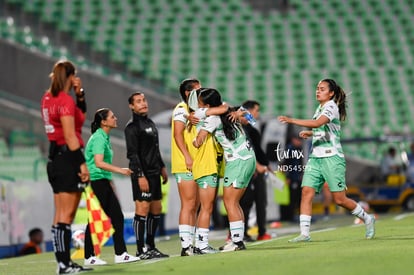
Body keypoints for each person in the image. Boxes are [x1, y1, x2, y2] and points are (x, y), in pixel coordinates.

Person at [278, 78, 375, 242]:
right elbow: (328, 131)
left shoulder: (331, 106)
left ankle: (367, 218)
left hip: (332, 157)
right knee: (306, 192)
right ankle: (305, 233)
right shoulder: (320, 107)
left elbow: (317, 123)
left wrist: (292, 120)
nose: (318, 91)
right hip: (316, 158)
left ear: (331, 93)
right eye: (317, 88)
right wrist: (311, 134)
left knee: (339, 199)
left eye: (322, 89)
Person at [40, 60, 92, 274]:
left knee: (60, 214)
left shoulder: (47, 98)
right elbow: (71, 135)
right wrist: (82, 163)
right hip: (68, 158)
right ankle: (64, 264)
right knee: (67, 215)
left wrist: (80, 95)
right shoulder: (64, 101)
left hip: (54, 158)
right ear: (70, 77)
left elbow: (79, 120)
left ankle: (63, 263)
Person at [193, 88, 256, 252]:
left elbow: (197, 142)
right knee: (234, 203)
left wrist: (198, 132)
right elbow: (252, 120)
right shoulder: (231, 111)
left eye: (200, 102)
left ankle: (237, 243)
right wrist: (240, 112)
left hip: (238, 161)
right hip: (248, 157)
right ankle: (237, 240)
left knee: (230, 202)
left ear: (206, 104)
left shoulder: (212, 119)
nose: (198, 105)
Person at [83, 108, 140, 265]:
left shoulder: (103, 137)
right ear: (104, 121)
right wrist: (120, 170)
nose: (115, 118)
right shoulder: (99, 138)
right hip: (97, 180)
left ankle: (97, 256)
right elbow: (99, 163)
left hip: (101, 180)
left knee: (105, 218)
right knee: (109, 217)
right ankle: (109, 254)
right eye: (112, 117)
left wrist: (110, 182)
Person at [124, 92, 169, 259]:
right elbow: (132, 154)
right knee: (142, 209)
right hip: (141, 174)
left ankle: (151, 246)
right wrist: (140, 175)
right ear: (131, 106)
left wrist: (162, 167)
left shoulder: (150, 123)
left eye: (144, 100)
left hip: (155, 172)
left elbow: (155, 149)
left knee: (156, 208)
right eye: (138, 101)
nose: (143, 103)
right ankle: (140, 249)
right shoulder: (131, 127)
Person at [171, 79, 200, 256]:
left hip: (197, 163)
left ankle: (193, 243)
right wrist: (187, 157)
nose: (202, 91)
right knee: (188, 204)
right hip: (185, 164)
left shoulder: (194, 110)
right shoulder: (181, 109)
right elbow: (177, 135)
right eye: (198, 89)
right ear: (188, 93)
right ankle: (185, 246)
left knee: (195, 204)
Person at [238, 100, 271, 241]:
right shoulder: (240, 130)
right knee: (244, 203)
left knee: (260, 202)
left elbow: (256, 149)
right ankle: (238, 233)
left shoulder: (251, 129)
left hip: (257, 170)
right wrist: (256, 165)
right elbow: (247, 149)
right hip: (247, 170)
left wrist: (265, 164)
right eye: (256, 110)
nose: (257, 114)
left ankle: (261, 232)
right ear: (248, 111)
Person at [280, 135, 304, 222]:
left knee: (297, 196)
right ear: (293, 139)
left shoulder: (298, 149)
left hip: (297, 177)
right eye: (298, 140)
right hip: (291, 177)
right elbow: (285, 163)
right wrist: (287, 177)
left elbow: (300, 163)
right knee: (292, 197)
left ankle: (295, 215)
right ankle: (289, 216)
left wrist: (301, 174)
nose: (299, 142)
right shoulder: (289, 149)